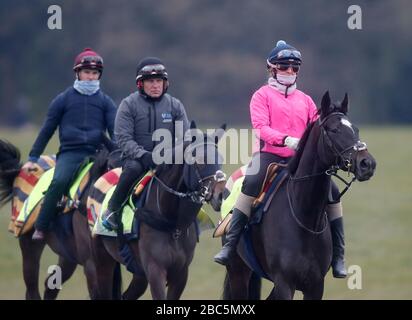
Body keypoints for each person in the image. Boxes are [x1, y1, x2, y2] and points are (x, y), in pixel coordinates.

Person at [214, 40, 347, 278]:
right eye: (284, 66)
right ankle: (230, 245)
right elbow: (261, 128)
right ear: (272, 68)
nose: (290, 72)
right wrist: (286, 140)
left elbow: (316, 129)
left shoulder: (305, 100)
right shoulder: (261, 96)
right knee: (252, 182)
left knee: (333, 191)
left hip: (299, 161)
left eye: (294, 68)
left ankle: (338, 256)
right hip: (269, 155)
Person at [23, 48, 117, 241]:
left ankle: (112, 223)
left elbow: (115, 132)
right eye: (87, 72)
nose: (91, 77)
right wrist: (33, 157)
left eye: (94, 73)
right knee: (58, 181)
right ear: (77, 73)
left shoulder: (106, 102)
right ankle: (41, 225)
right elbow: (47, 130)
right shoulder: (62, 100)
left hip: (98, 153)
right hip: (71, 154)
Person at [102, 57, 190, 231]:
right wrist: (144, 155)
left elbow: (185, 138)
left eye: (159, 81)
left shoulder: (175, 106)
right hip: (136, 159)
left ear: (165, 83)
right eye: (150, 81)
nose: (156, 85)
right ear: (140, 84)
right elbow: (123, 138)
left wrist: (171, 155)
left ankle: (190, 219)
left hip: (167, 159)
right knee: (133, 168)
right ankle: (112, 210)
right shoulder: (128, 104)